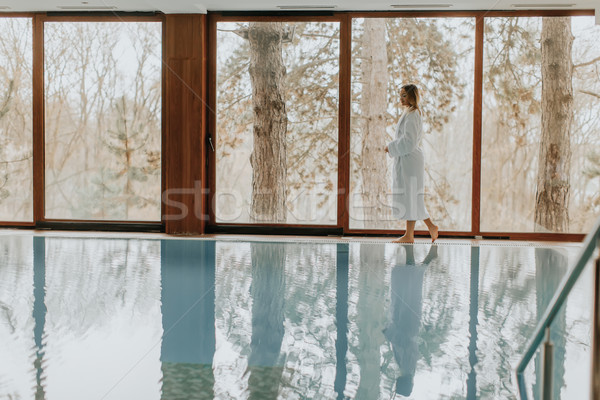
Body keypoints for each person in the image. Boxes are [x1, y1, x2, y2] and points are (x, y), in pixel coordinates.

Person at [385, 84, 438, 243]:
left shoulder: (413, 114)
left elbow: (409, 142)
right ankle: (410, 234)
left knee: (412, 197)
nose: (401, 99)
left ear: (412, 97)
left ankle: (429, 227)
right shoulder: (409, 113)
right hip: (407, 159)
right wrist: (393, 147)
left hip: (411, 160)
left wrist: (391, 147)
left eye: (404, 96)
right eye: (400, 95)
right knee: (410, 197)